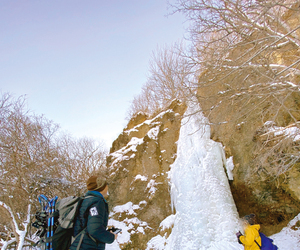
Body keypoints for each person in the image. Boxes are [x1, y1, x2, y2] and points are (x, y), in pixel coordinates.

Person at [70, 175, 117, 250]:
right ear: (101, 187)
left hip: (79, 245)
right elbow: (94, 230)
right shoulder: (97, 202)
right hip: (88, 246)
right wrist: (111, 237)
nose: (107, 187)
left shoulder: (86, 200)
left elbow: (89, 225)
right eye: (106, 185)